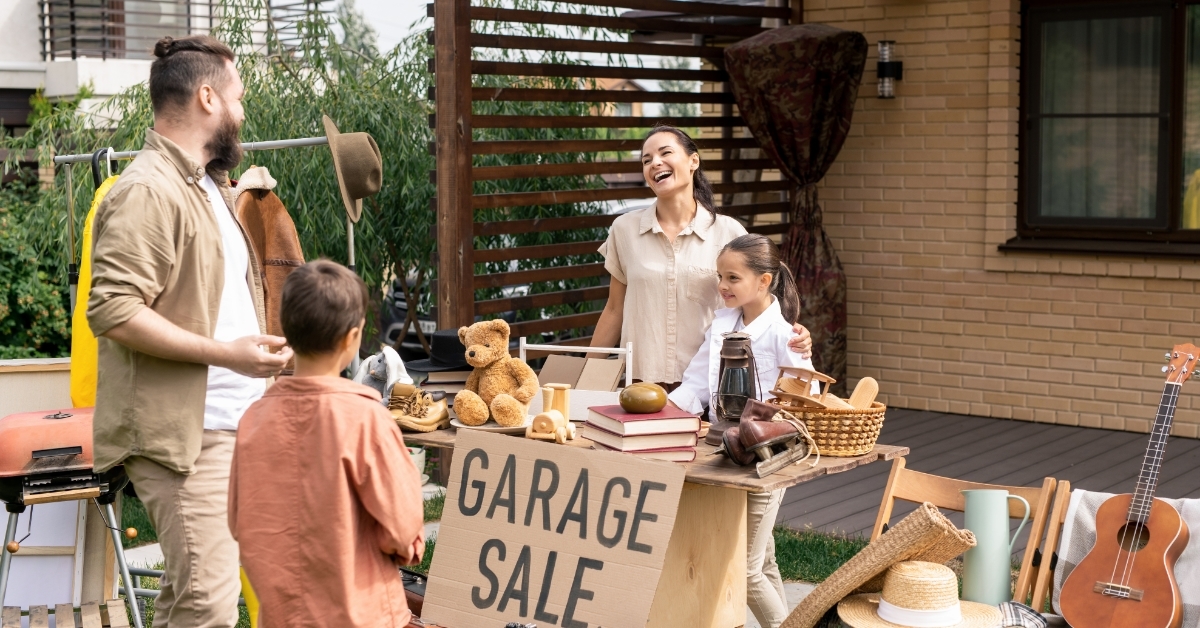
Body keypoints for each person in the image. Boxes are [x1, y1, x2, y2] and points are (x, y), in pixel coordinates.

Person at [86, 35, 291, 627]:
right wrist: (227, 355)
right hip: (182, 440)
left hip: (228, 426)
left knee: (187, 600)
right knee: (208, 603)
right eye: (238, 97)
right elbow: (114, 309)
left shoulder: (206, 187)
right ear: (207, 97)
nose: (244, 112)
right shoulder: (147, 190)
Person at [229, 260, 425, 628]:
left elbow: (241, 523)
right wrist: (408, 547)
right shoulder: (366, 418)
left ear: (286, 330)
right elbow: (402, 523)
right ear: (352, 339)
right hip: (361, 614)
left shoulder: (252, 420)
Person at [591, 126, 811, 390]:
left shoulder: (729, 232)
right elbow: (615, 309)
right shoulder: (624, 230)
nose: (654, 163)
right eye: (646, 160)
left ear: (693, 160)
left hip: (712, 384)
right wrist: (586, 377)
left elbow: (755, 302)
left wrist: (792, 334)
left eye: (665, 153)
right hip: (640, 384)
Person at [667, 234, 811, 628]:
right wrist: (658, 416)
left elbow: (807, 397)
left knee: (746, 571)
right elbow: (696, 383)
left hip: (769, 458)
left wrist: (805, 355)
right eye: (720, 276)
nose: (722, 286)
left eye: (733, 278)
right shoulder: (722, 325)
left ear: (764, 281)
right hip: (729, 452)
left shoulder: (787, 335)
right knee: (763, 560)